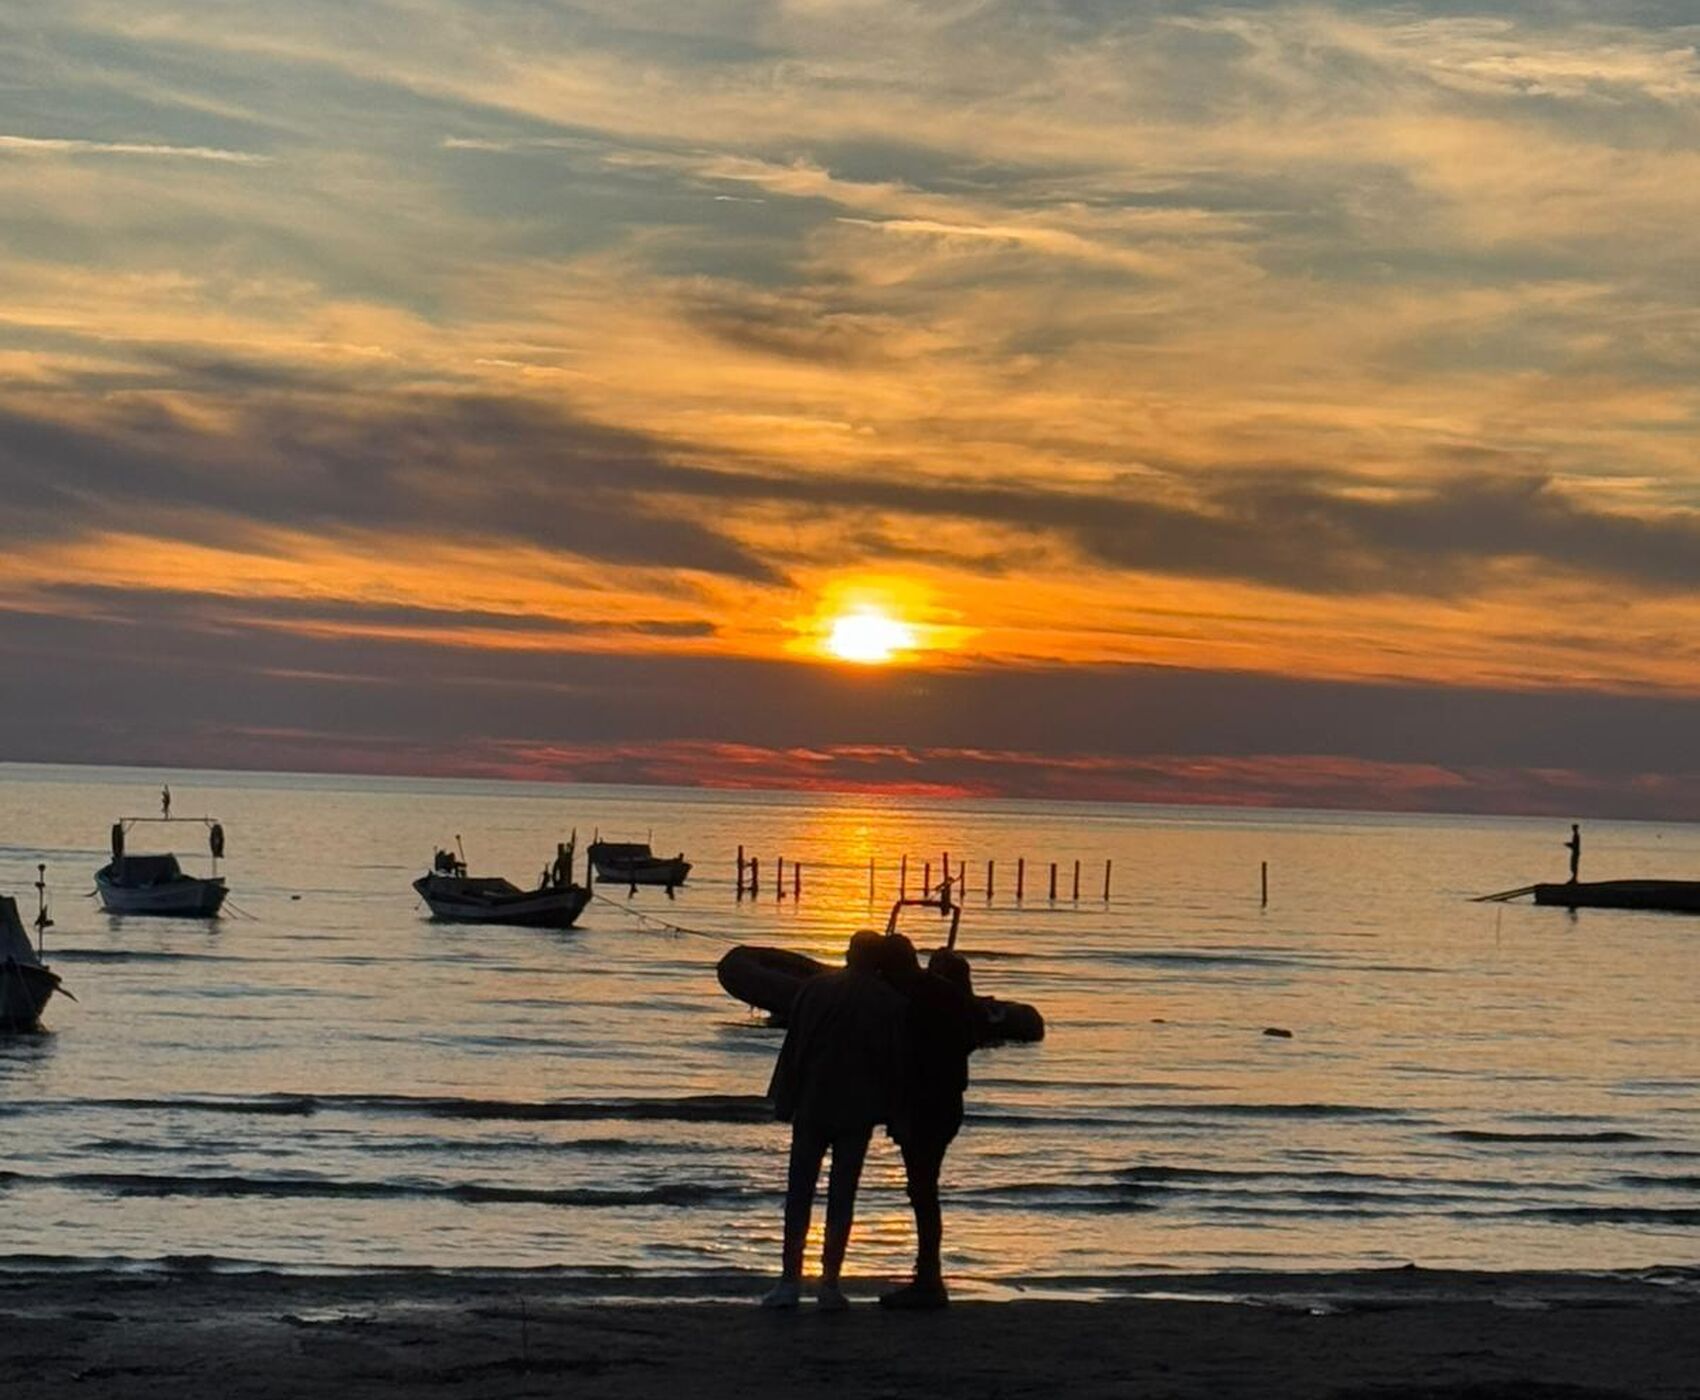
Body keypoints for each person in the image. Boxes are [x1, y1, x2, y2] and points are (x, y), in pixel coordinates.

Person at [764, 929, 902, 1310]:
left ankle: (789, 1281)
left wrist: (783, 1100)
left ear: (847, 954)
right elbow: (893, 1063)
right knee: (843, 1195)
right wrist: (891, 1112)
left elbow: (793, 1049)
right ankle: (829, 1284)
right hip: (858, 1108)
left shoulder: (814, 990)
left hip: (813, 1102)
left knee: (799, 1193)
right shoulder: (888, 1002)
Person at [879, 936, 985, 1310]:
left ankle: (928, 1280)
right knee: (924, 1190)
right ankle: (927, 1275)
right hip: (947, 1103)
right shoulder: (948, 994)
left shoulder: (910, 999)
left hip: (924, 1105)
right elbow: (971, 1040)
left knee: (922, 1191)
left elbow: (899, 1055)